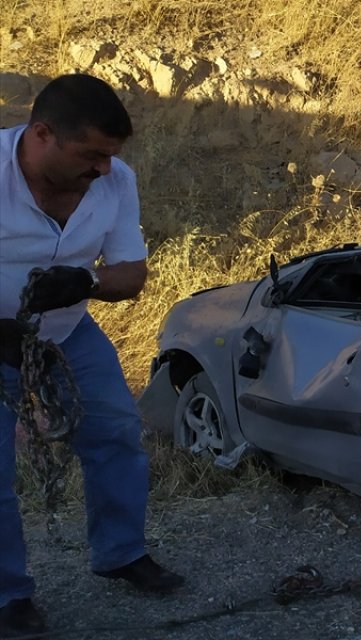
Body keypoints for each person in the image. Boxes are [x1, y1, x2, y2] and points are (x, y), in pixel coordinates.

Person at [0, 73, 184, 637]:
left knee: (115, 434)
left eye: (110, 157)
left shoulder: (114, 178)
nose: (103, 169)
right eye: (91, 155)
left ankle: (121, 553)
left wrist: (85, 284)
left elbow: (130, 273)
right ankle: (8, 596)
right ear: (41, 134)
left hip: (66, 332)